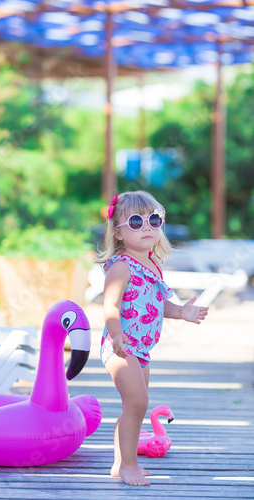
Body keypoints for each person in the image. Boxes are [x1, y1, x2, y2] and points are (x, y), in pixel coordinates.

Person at [96, 191, 209, 486]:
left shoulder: (152, 266)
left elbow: (157, 304)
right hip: (120, 347)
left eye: (153, 219)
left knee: (132, 406)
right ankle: (129, 465)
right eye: (135, 221)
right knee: (138, 403)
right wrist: (117, 334)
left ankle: (120, 462)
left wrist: (181, 312)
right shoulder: (121, 266)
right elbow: (110, 306)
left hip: (141, 349)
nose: (146, 226)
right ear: (118, 233)